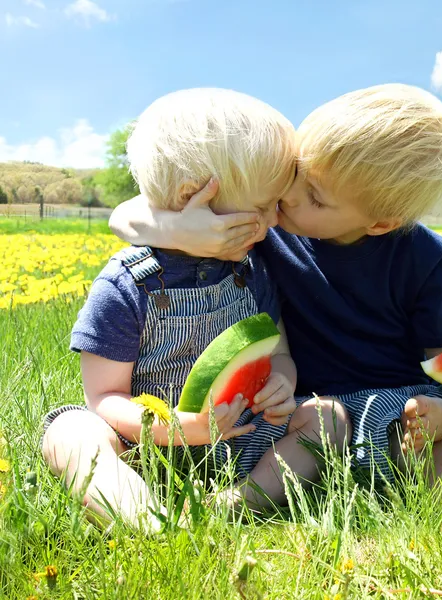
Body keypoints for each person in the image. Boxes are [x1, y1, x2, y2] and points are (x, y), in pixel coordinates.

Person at [109, 84, 442, 554]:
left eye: (315, 198)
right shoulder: (268, 227)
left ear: (379, 222)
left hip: (408, 414)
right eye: (294, 173)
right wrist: (177, 228)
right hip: (318, 416)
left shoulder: (424, 255)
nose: (290, 198)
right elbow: (125, 214)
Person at [42, 88, 349, 533]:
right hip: (143, 445)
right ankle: (143, 517)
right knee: (70, 430)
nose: (275, 221)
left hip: (241, 438)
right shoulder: (126, 284)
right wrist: (175, 429)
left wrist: (283, 383)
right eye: (264, 207)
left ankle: (233, 503)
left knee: (328, 418)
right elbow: (105, 397)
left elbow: (278, 351)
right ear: (193, 196)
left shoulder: (252, 271)